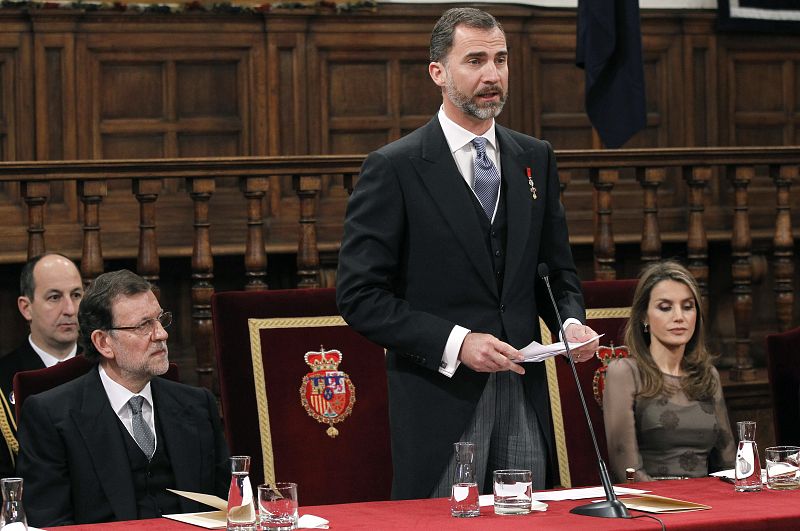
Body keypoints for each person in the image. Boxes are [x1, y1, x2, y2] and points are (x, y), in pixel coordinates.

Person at [336, 7, 598, 500]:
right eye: (475, 60)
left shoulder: (534, 157)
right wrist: (458, 343)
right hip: (441, 399)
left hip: (523, 389)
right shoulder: (394, 167)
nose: (492, 75)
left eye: (501, 60)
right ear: (438, 72)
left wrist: (569, 324)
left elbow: (555, 272)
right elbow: (360, 296)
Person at [16, 269, 230, 526]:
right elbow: (51, 523)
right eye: (143, 325)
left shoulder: (197, 405)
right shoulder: (51, 416)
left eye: (161, 320)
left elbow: (227, 507)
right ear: (104, 342)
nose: (161, 334)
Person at [603, 260, 736, 482]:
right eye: (665, 307)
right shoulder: (625, 372)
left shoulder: (707, 374)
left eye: (687, 306)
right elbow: (627, 471)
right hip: (654, 505)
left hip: (710, 501)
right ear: (644, 316)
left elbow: (728, 462)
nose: (679, 317)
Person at [0, 253, 83, 478]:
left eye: (76, 295)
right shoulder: (4, 377)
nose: (70, 309)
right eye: (54, 297)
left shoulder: (107, 368)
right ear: (26, 307)